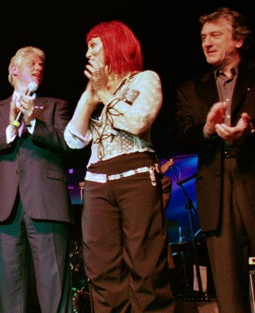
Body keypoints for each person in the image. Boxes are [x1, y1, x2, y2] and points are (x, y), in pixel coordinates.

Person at [64, 20, 175, 312]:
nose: (87, 55)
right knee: (101, 269)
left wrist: (103, 93)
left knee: (145, 265)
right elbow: (73, 140)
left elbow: (137, 122)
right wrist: (90, 97)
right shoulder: (95, 91)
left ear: (113, 46)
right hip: (98, 180)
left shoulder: (144, 79)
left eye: (93, 47)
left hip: (135, 174)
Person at [0, 46, 73, 313]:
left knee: (54, 286)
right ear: (14, 69)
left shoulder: (54, 106)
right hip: (5, 207)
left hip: (46, 203)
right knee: (9, 290)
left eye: (42, 64)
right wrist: (6, 135)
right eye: (32, 62)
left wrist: (35, 122)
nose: (39, 67)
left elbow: (68, 143)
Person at [174, 6, 255, 313]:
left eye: (216, 35)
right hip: (217, 194)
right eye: (203, 37)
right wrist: (207, 129)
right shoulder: (191, 90)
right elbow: (181, 136)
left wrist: (249, 129)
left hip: (251, 174)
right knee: (229, 287)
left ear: (239, 40)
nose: (206, 42)